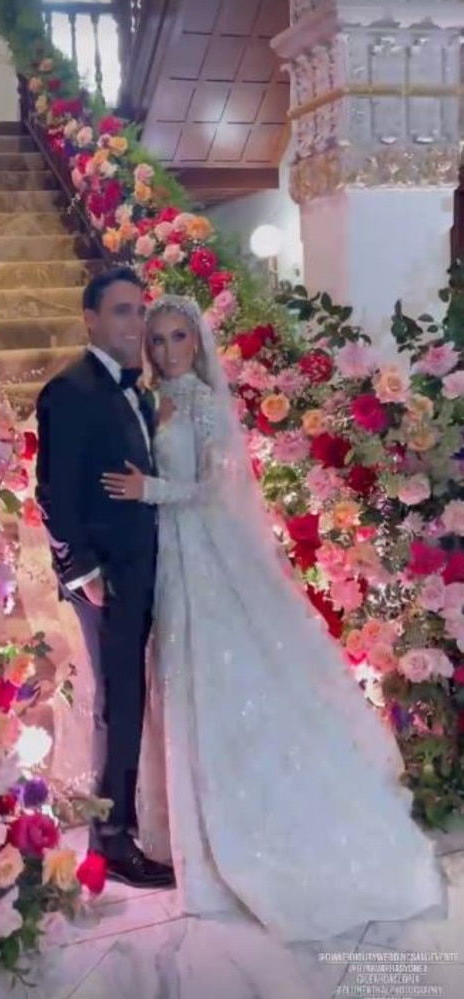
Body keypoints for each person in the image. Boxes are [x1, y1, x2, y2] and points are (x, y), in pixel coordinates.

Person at [101, 293, 445, 942]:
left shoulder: (202, 403)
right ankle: (192, 837)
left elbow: (212, 486)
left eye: (179, 338)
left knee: (220, 672)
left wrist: (151, 490)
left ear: (197, 344)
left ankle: (248, 838)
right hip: (164, 554)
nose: (169, 350)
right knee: (179, 674)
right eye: (158, 341)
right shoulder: (148, 400)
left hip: (202, 550)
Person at [34, 266, 174, 889]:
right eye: (121, 312)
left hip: (143, 566)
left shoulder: (134, 389)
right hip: (106, 577)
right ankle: (112, 843)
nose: (134, 324)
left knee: (133, 699)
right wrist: (81, 571)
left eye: (139, 312)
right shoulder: (71, 388)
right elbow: (53, 493)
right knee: (119, 705)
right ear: (90, 318)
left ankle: (128, 825)